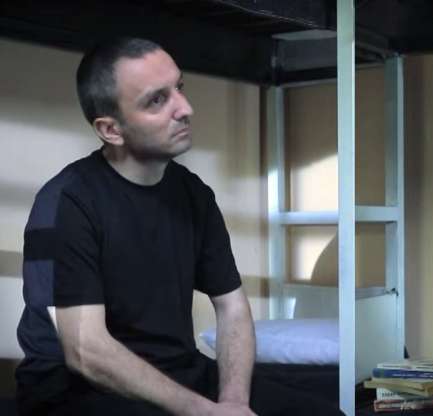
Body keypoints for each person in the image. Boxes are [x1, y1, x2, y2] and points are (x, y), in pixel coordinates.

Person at [15, 37, 343, 416]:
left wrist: (233, 403)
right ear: (111, 130)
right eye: (157, 100)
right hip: (79, 391)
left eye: (179, 88)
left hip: (179, 372)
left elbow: (232, 307)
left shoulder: (193, 194)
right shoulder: (67, 203)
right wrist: (205, 412)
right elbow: (87, 352)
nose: (185, 109)